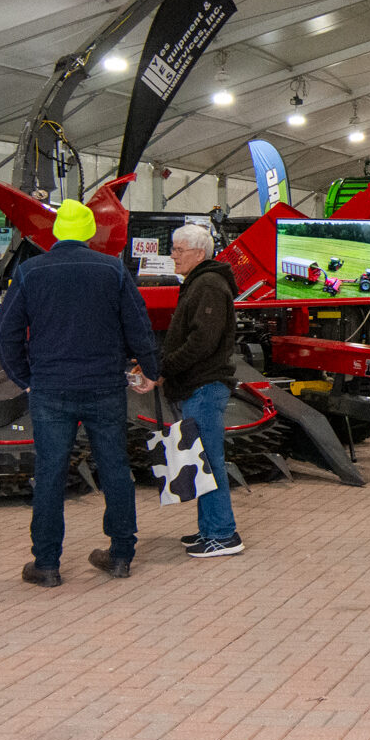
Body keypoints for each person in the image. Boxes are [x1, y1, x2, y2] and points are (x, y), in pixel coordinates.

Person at [0, 200, 161, 588]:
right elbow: (138, 326)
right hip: (104, 386)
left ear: (56, 232)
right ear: (89, 232)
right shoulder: (113, 270)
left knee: (50, 473)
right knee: (116, 469)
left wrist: (25, 378)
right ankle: (121, 555)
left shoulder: (30, 272)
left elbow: (5, 333)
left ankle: (47, 564)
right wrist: (150, 370)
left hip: (50, 388)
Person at [161, 224, 245, 558]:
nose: (173, 256)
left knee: (208, 461)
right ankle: (210, 529)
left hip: (205, 387)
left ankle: (224, 535)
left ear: (199, 253)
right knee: (202, 462)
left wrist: (165, 368)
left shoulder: (208, 284)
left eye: (178, 250)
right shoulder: (201, 282)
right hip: (198, 386)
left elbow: (202, 340)